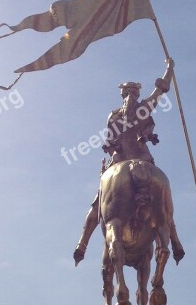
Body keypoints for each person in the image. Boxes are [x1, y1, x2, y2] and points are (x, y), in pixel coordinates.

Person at [73, 58, 176, 264]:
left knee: (97, 207)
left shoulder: (114, 115)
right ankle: (173, 241)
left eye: (129, 93)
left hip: (119, 161)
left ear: (123, 95)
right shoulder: (143, 109)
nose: (129, 96)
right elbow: (161, 90)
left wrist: (169, 70)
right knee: (163, 207)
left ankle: (82, 244)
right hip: (144, 159)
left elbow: (111, 141)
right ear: (136, 95)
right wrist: (169, 69)